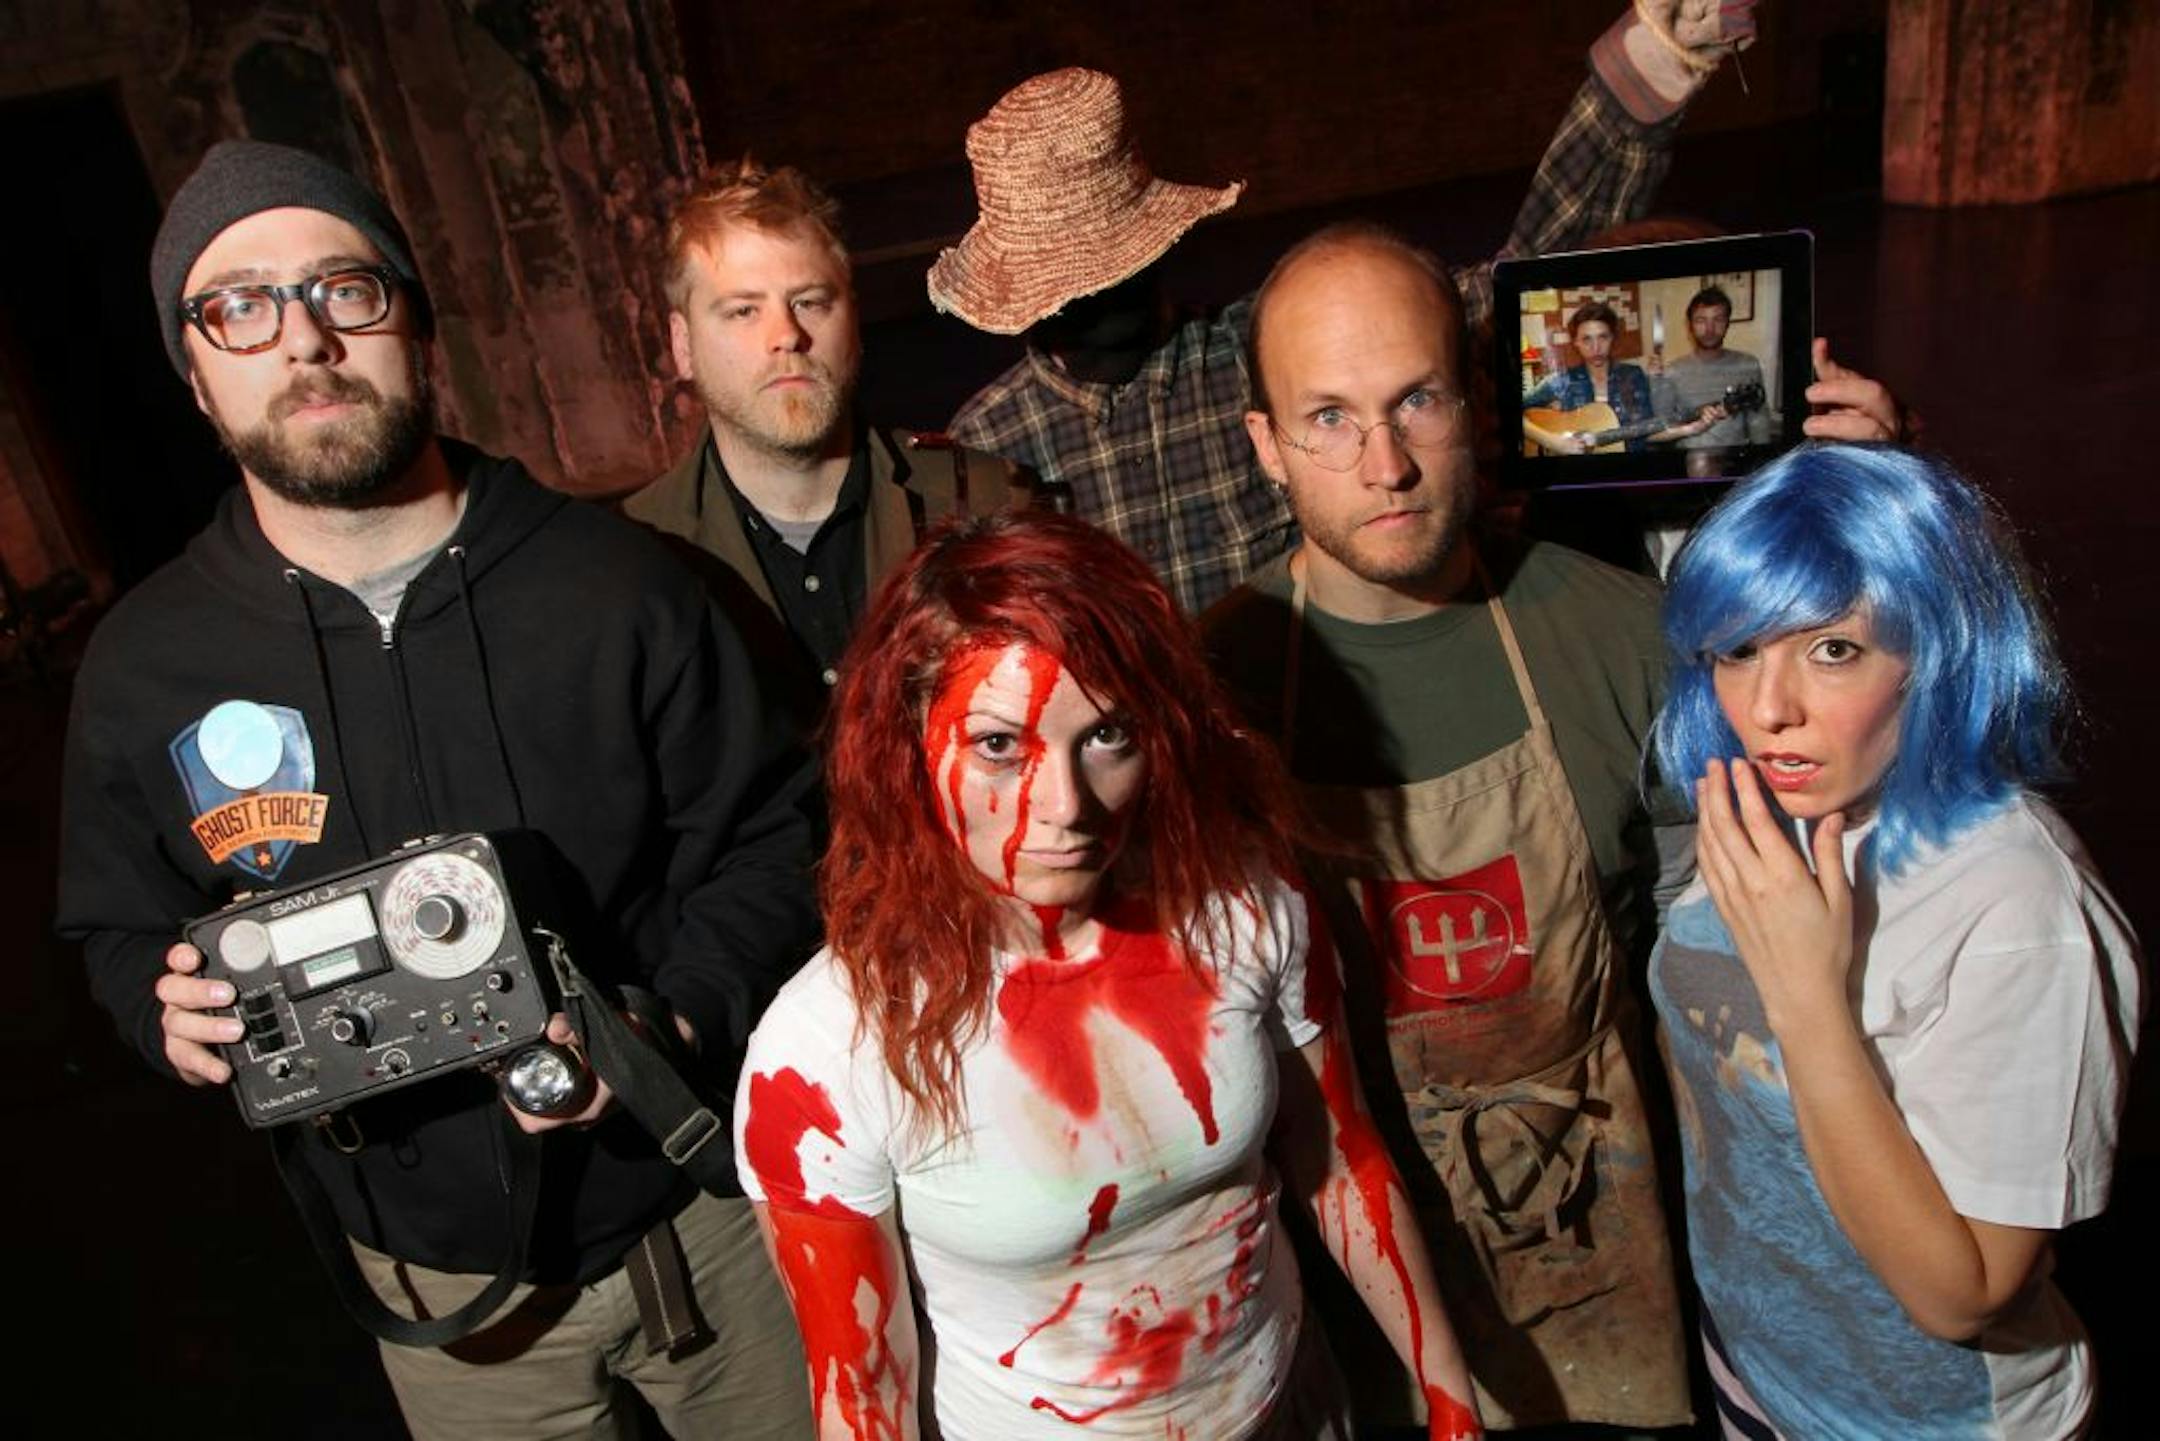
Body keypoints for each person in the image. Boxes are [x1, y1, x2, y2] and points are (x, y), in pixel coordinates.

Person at [55, 140, 820, 1438]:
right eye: (239, 306)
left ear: (413, 320)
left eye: (344, 289)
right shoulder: (144, 665)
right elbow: (115, 922)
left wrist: (665, 1027)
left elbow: (773, 842)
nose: (304, 341)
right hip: (439, 1293)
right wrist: (156, 1001)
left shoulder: (620, 587)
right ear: (195, 374)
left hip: (707, 1220)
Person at [732, 511, 1485, 1439]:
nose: (1067, 807)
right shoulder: (821, 1053)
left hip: (1294, 1403)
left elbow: (1341, 1165)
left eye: (1109, 735)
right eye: (1001, 744)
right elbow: (860, 1393)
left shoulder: (1241, 901)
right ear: (908, 746)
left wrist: (1450, 1400)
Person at [1204, 222, 1694, 1433]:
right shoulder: (1205, 694)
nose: (1386, 465)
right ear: (1265, 446)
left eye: (1414, 400)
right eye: (1327, 418)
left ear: (1474, 399)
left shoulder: (1629, 635)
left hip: (1607, 1230)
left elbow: (1725, 966)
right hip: (1367, 1281)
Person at [929, 0, 1758, 614]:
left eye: (1113, 263)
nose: (1098, 292)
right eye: (1071, 280)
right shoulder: (992, 444)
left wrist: (1652, 62)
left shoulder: (1261, 356)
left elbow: (1517, 274)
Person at [1648, 443, 2142, 1439]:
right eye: (1739, 649)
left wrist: (1804, 996)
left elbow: (1962, 1295)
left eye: (1833, 650)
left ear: (1939, 651)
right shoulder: (1769, 796)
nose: (1767, 708)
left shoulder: (2014, 906)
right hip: (1758, 1374)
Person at [625, 157, 1039, 702]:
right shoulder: (636, 551)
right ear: (683, 346)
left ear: (853, 320)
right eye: (743, 311)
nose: (786, 335)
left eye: (810, 302)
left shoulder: (984, 499)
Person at [1520, 300, 1713, 453]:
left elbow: (1644, 433)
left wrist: (1690, 429)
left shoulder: (1633, 376)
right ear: (1576, 342)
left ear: (1612, 338)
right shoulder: (1561, 381)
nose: (1595, 348)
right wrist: (1552, 442)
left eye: (1603, 337)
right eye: (1587, 339)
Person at [1648, 284, 1773, 449]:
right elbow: (1660, 428)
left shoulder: (1747, 364)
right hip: (1690, 463)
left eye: (1718, 319)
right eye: (1701, 320)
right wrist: (1654, 381)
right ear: (1690, 325)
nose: (1709, 329)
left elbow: (1759, 420)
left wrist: (1762, 460)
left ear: (1727, 323)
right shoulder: (1672, 371)